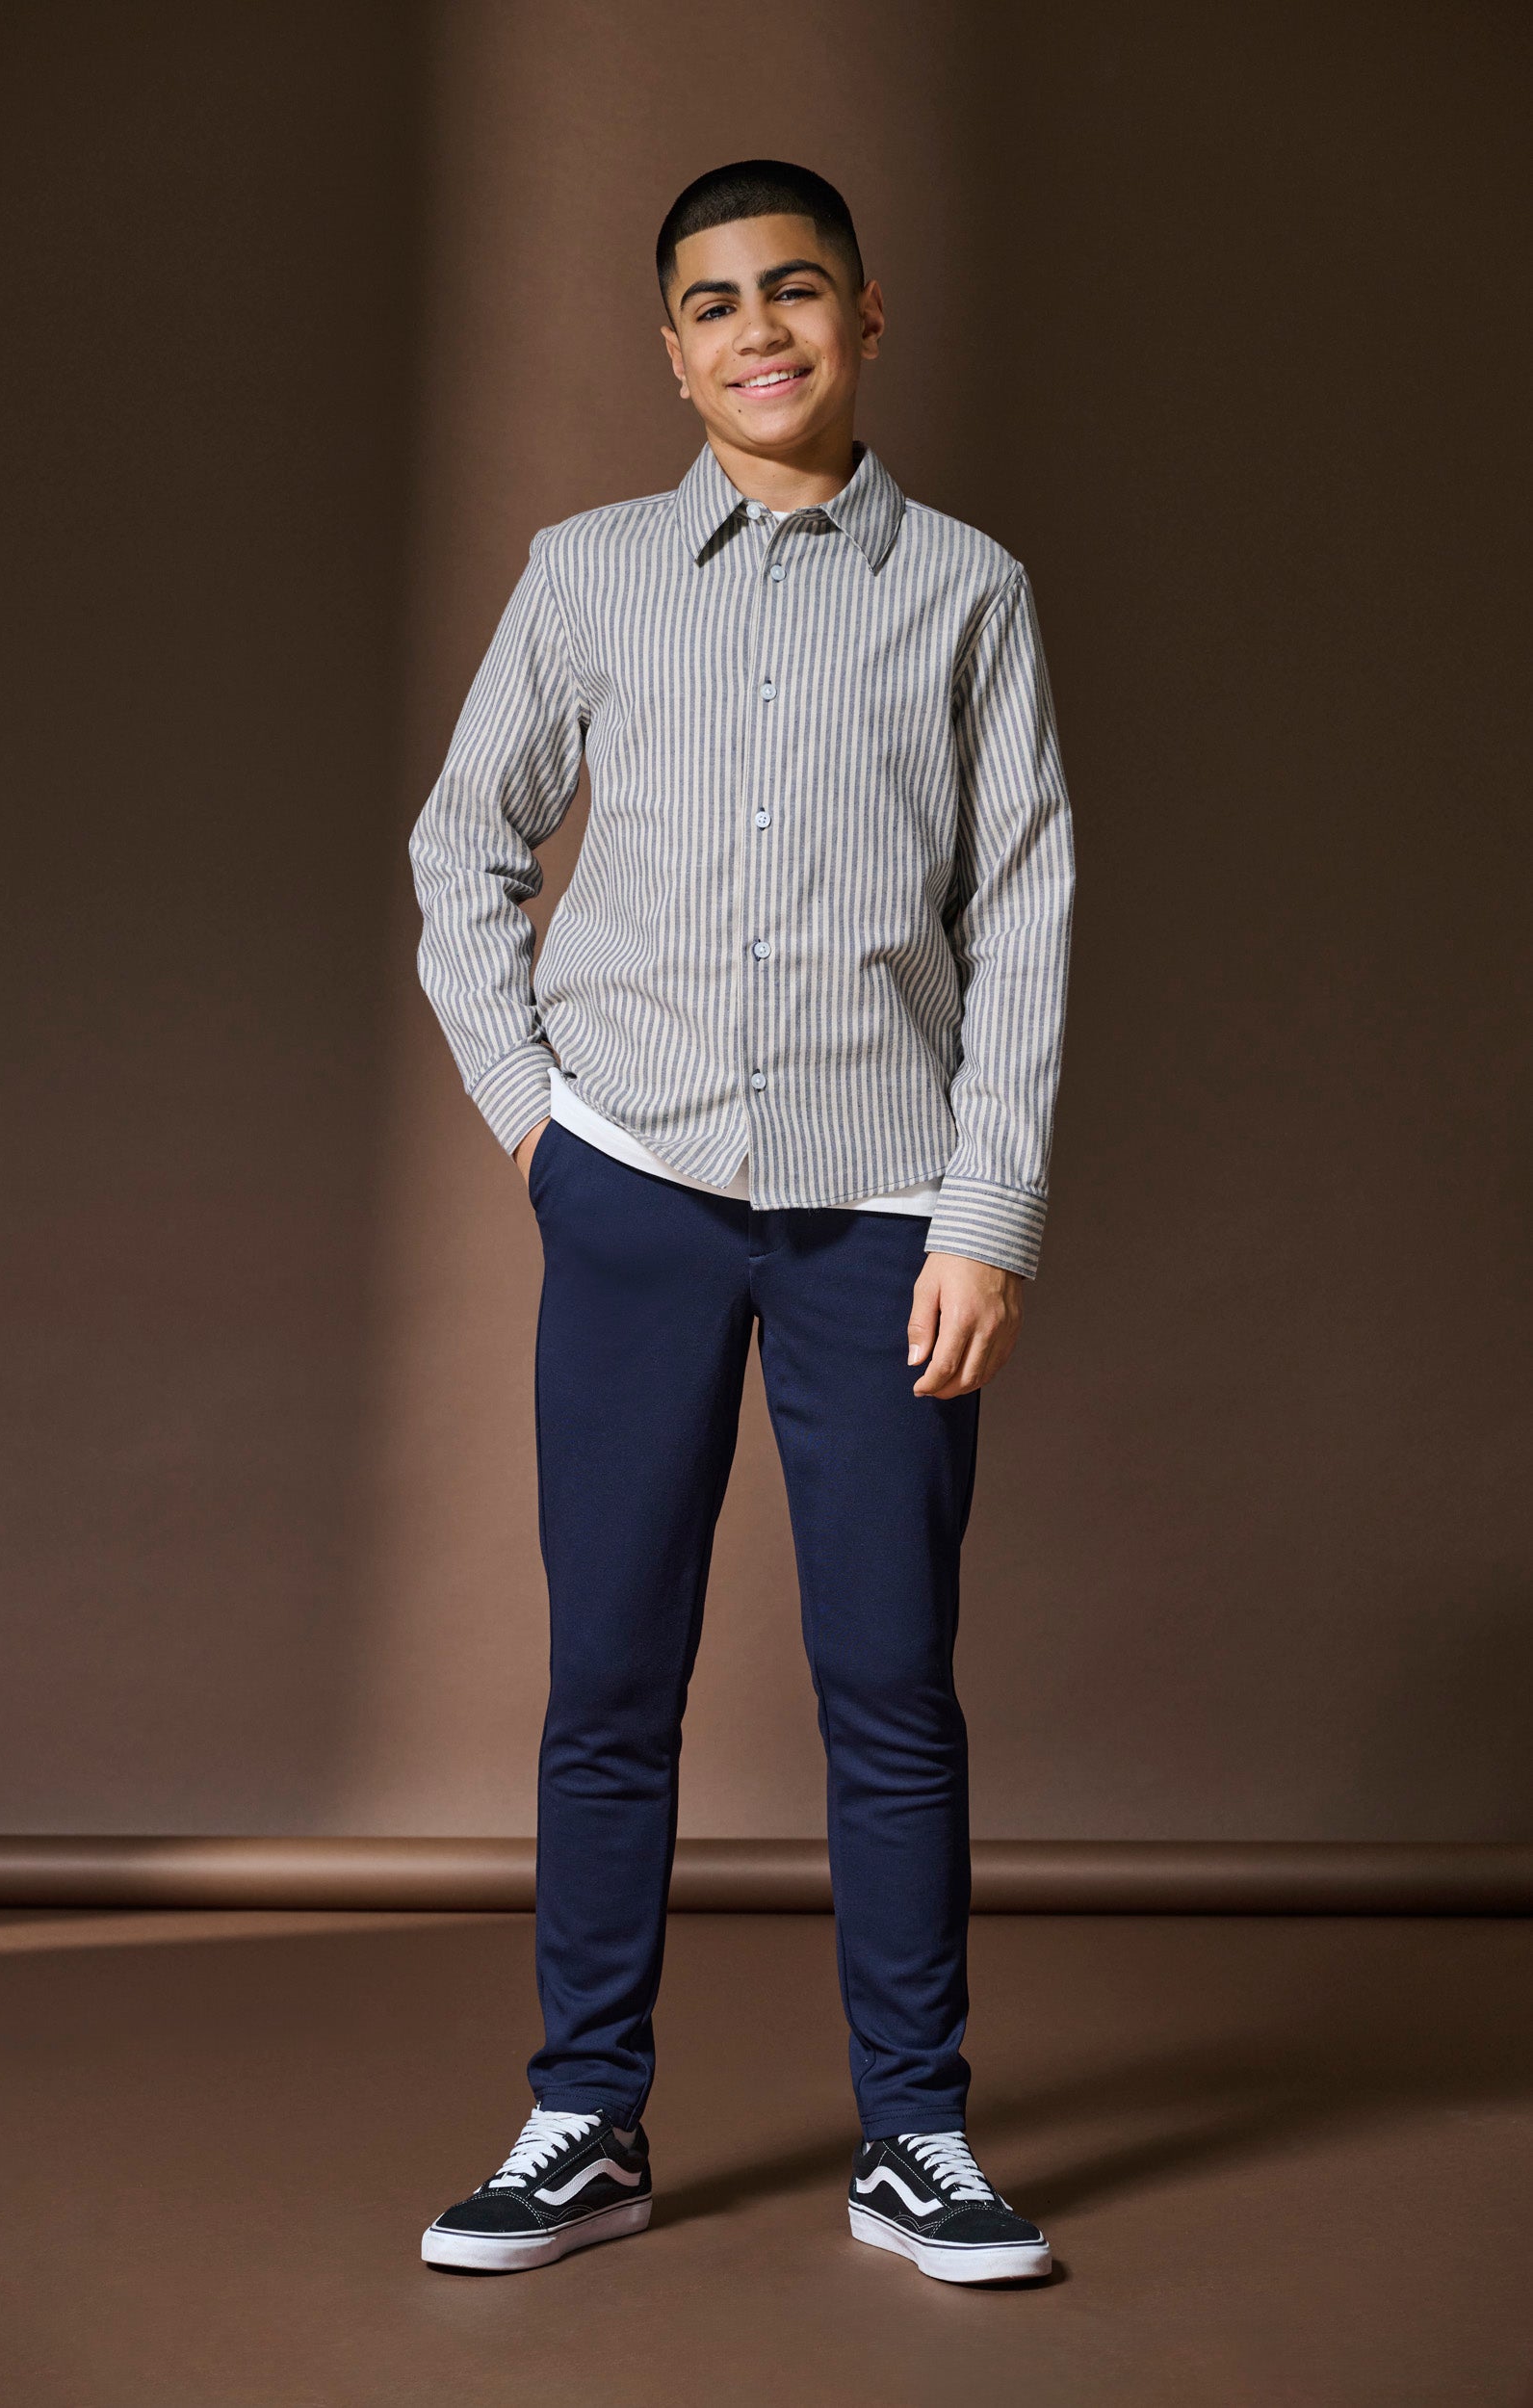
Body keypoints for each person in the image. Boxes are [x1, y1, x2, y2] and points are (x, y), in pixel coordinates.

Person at [408, 158, 1075, 2287]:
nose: (758, 329)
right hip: (640, 1192)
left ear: (867, 318)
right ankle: (584, 2117)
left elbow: (1024, 911)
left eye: (796, 290)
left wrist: (987, 1214)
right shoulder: (589, 572)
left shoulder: (967, 589)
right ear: (671, 351)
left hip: (887, 1214)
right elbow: (461, 849)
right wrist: (539, 1127)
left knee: (892, 1684)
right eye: (714, 302)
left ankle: (919, 2138)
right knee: (611, 1675)